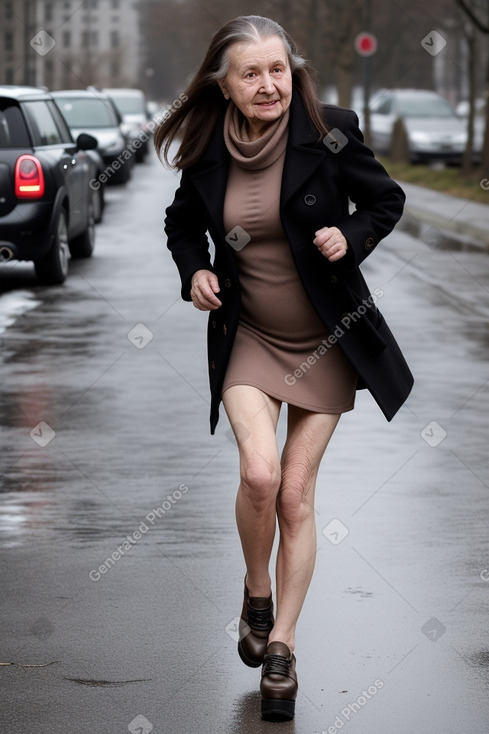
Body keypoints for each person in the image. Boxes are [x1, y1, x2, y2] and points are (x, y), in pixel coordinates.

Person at [155, 15, 413, 722]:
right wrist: (194, 271)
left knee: (295, 496)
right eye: (251, 73)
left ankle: (283, 649)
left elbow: (385, 199)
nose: (268, 84)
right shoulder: (208, 148)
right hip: (251, 335)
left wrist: (350, 235)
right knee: (259, 475)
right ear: (225, 84)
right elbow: (181, 225)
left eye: (278, 69)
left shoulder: (329, 129)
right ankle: (255, 590)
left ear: (290, 72)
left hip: (325, 341)